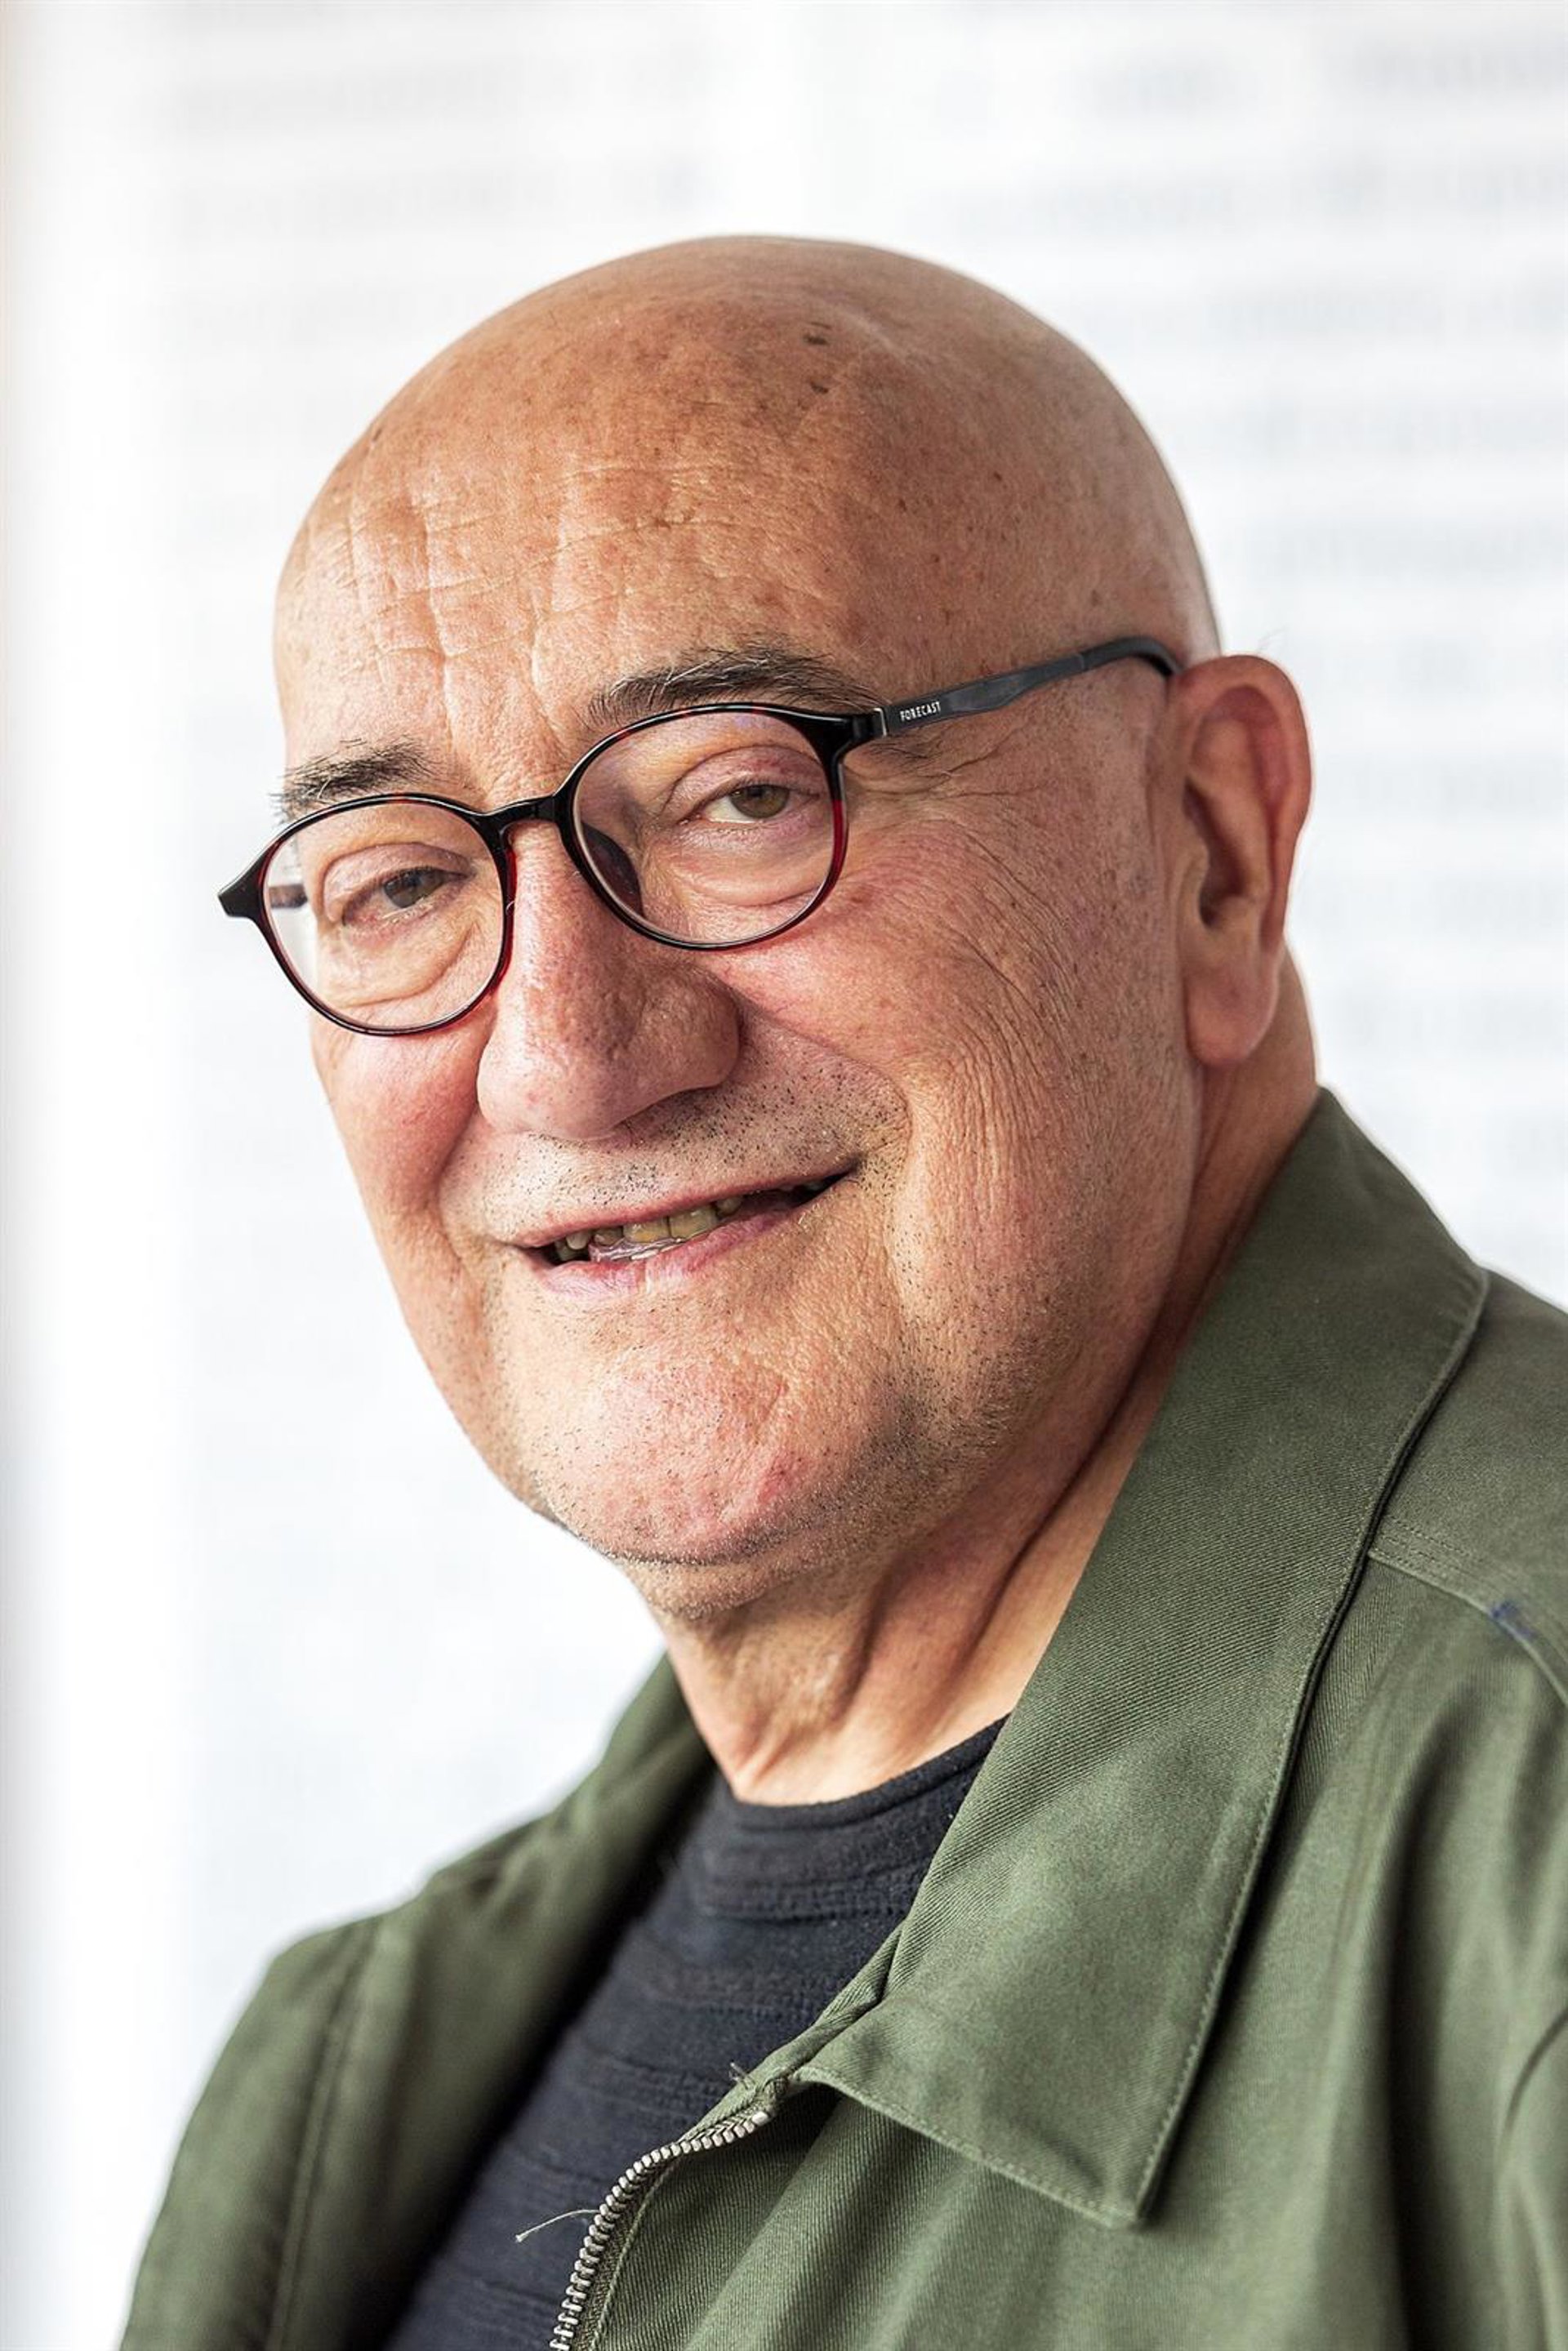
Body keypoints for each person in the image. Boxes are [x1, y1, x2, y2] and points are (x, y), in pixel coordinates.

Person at [121, 238, 1565, 2351]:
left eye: (739, 793)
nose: (565, 1059)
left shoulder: (1534, 1855)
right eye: (405, 879)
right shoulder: (337, 2079)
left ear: (1213, 851)